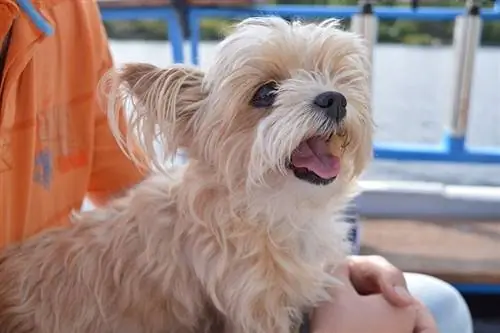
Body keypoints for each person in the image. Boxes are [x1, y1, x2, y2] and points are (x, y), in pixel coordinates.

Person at [0, 1, 472, 332]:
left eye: (335, 78)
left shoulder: (63, 8)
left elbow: (125, 183)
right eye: (266, 95)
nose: (327, 96)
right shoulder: (228, 258)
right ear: (191, 126)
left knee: (438, 303)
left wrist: (335, 271)